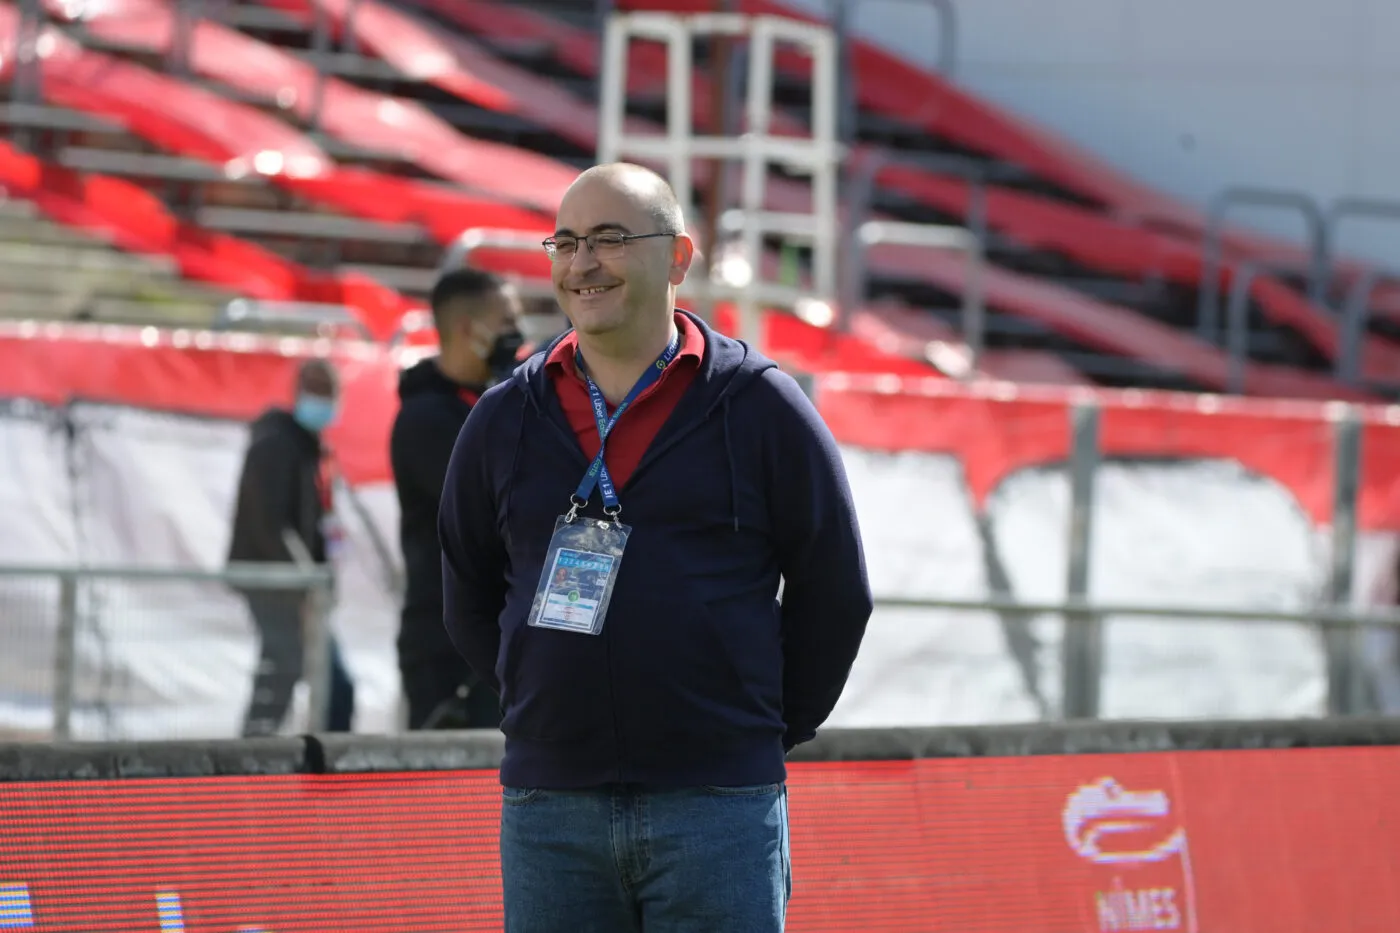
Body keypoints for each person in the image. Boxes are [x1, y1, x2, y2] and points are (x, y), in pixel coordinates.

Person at [438, 162, 873, 932]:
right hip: (551, 808)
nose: (582, 263)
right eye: (566, 242)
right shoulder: (506, 416)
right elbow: (467, 584)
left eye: (609, 239)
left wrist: (758, 725)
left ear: (677, 256)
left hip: (718, 806)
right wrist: (540, 695)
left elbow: (834, 589)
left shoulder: (760, 404)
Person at [391, 267, 523, 730]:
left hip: (498, 639)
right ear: (468, 329)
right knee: (444, 799)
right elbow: (498, 500)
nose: (517, 335)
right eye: (506, 322)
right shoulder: (425, 420)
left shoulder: (493, 402)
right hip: (444, 647)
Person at [227, 357, 355, 736]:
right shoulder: (274, 444)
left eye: (329, 393)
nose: (323, 402)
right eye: (316, 391)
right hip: (276, 581)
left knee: (292, 670)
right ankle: (254, 754)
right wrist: (304, 583)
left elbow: (310, 523)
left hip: (297, 583)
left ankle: (257, 752)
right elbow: (269, 523)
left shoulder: (310, 449)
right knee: (290, 668)